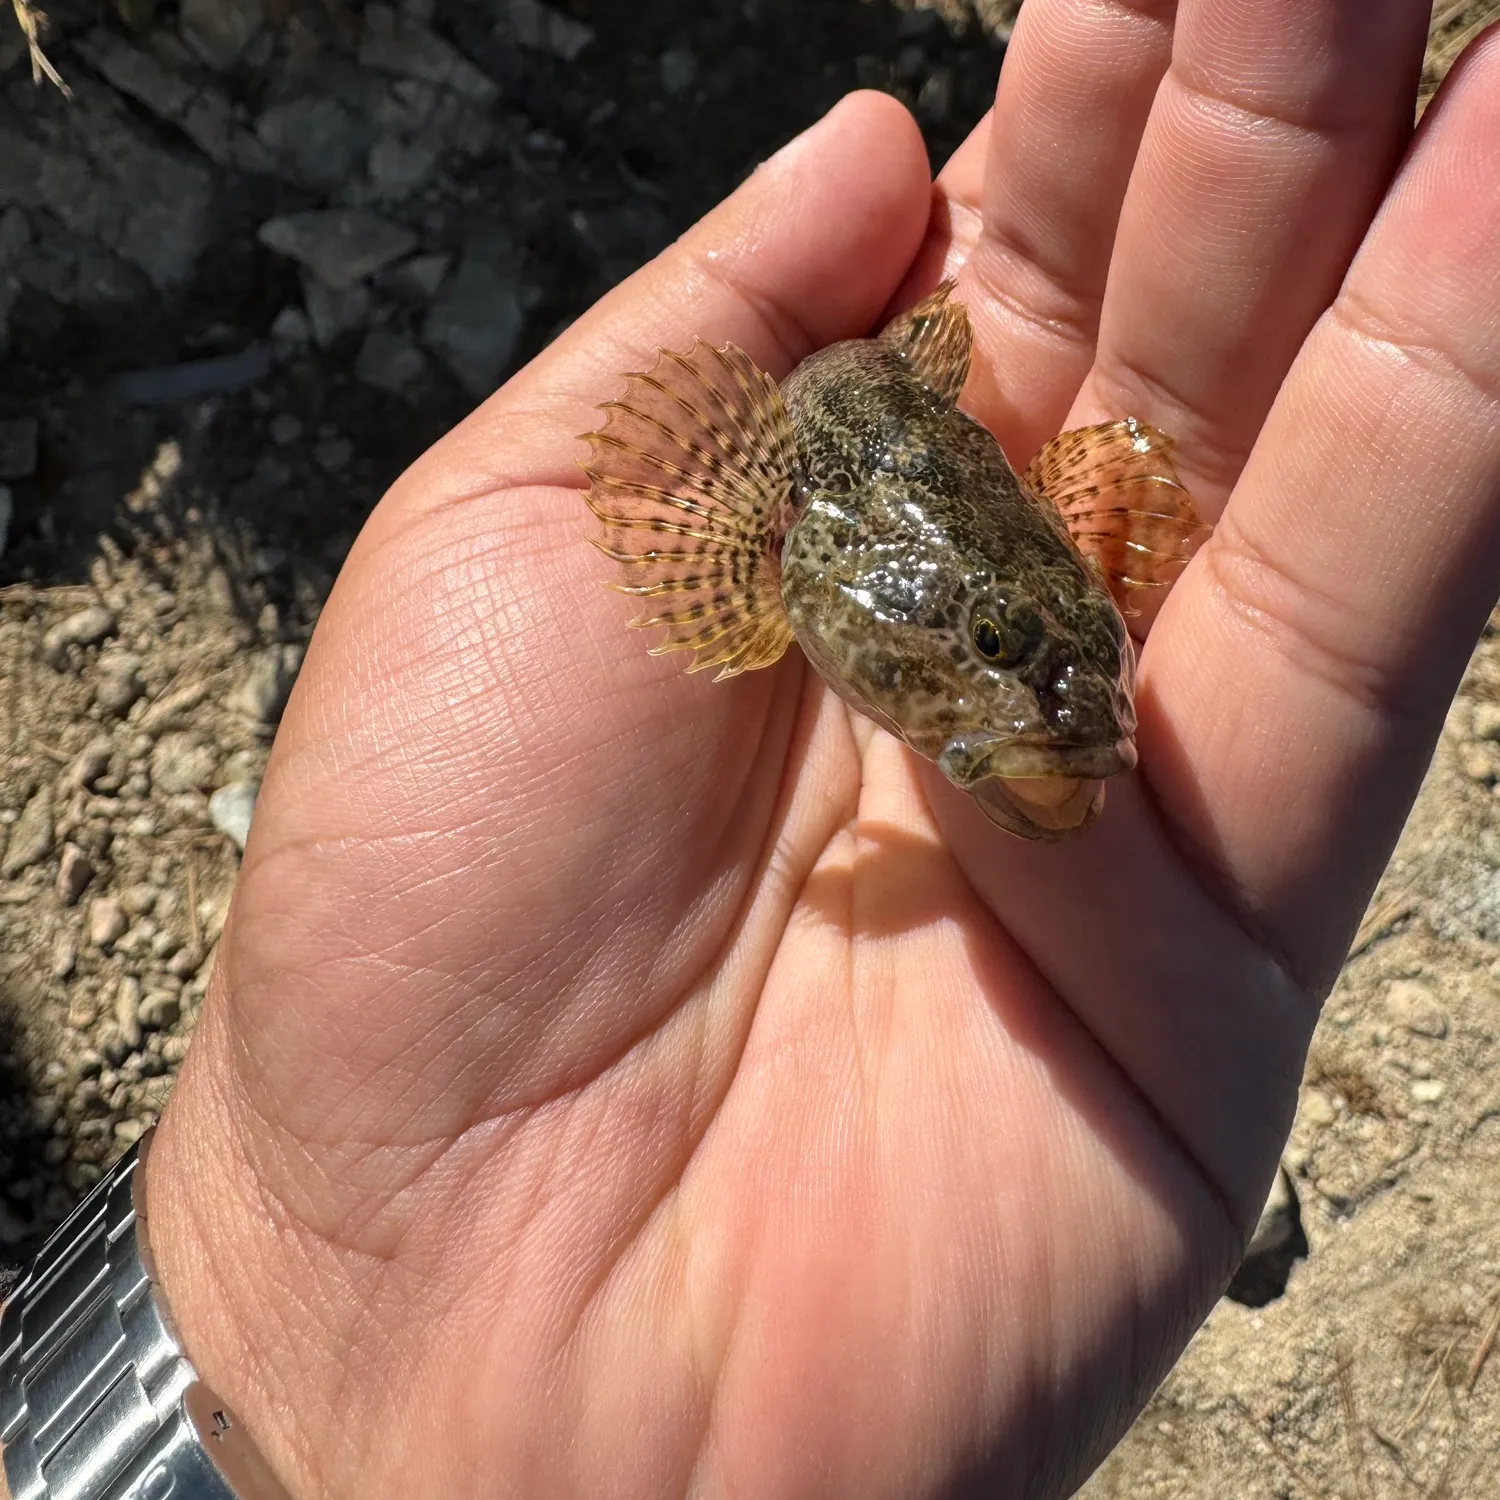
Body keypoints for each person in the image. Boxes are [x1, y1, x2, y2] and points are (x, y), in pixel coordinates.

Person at [135, 3, 1500, 1496]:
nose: (1057, 739)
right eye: (995, 666)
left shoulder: (1038, 597)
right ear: (810, 564)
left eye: (1068, 671)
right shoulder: (790, 520)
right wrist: (279, 1304)